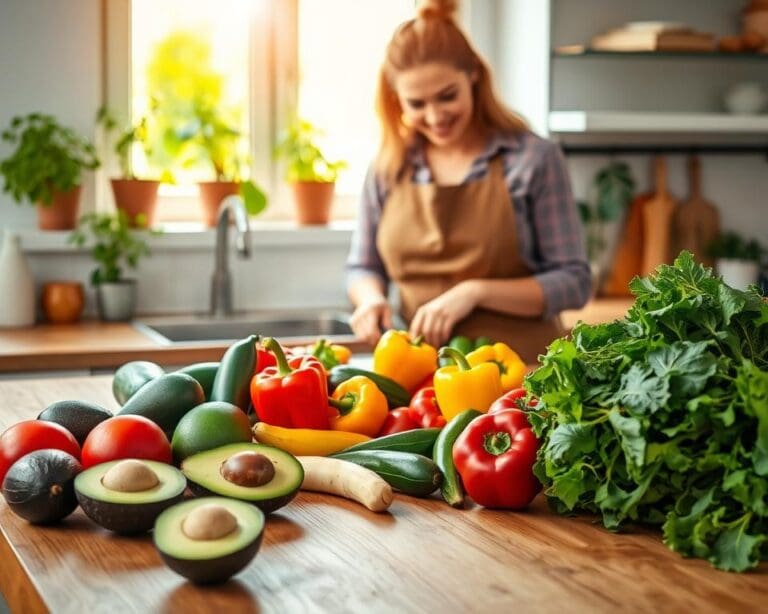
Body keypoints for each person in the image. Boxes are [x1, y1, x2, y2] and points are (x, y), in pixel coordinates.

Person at [345, 0, 591, 363]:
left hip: (521, 370)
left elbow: (574, 282)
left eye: (447, 96)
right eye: (417, 104)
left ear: (474, 75)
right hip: (421, 372)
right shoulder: (388, 167)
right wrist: (370, 299)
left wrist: (474, 292)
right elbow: (363, 267)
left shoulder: (533, 159)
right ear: (397, 100)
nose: (435, 116)